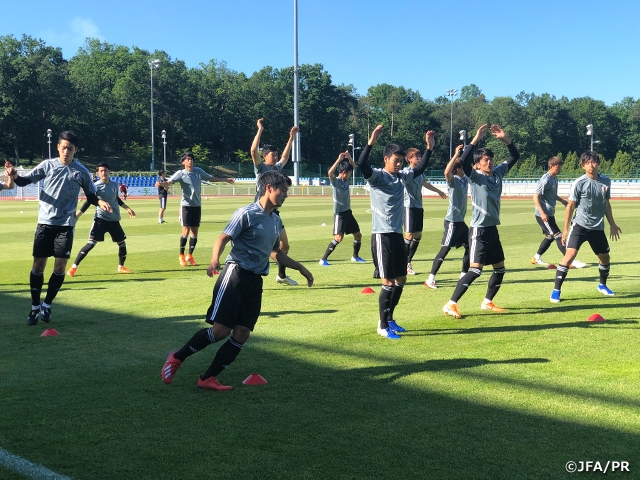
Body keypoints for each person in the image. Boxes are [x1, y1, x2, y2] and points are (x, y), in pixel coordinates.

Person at [161, 170, 314, 390]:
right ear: (269, 188)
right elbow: (224, 237)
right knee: (220, 331)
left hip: (255, 281)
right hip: (235, 275)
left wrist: (300, 267)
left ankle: (207, 378)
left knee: (242, 333)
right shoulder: (246, 213)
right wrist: (215, 259)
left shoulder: (276, 221)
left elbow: (275, 252)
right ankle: (176, 357)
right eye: (283, 190)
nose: (286, 195)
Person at [5, 131, 111, 325]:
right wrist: (14, 174)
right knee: (38, 266)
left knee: (60, 266)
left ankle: (47, 304)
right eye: (63, 147)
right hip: (45, 224)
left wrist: (100, 201)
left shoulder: (81, 172)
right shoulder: (48, 165)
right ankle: (35, 306)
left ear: (75, 150)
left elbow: (91, 196)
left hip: (65, 225)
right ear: (58, 147)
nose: (66, 151)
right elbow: (23, 181)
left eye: (70, 148)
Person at [358, 124, 435, 339]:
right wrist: (371, 141)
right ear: (386, 159)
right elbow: (362, 163)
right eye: (396, 160)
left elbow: (418, 169)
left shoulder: (401, 177)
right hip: (381, 236)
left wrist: (429, 148)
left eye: (401, 160)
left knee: (401, 279)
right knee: (388, 283)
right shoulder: (377, 177)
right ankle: (382, 326)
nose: (399, 163)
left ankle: (390, 319)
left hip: (396, 236)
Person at [442, 124, 520, 319]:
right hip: (478, 230)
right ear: (477, 165)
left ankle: (487, 302)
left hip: (492, 229)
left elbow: (514, 156)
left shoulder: (498, 174)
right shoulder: (475, 177)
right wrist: (475, 139)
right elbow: (464, 159)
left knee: (500, 268)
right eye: (485, 160)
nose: (490, 162)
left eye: (491, 159)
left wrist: (505, 139)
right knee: (475, 270)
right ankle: (451, 304)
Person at [549, 151, 621, 303]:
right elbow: (570, 206)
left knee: (605, 257)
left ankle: (602, 285)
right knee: (569, 256)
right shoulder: (579, 182)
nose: (591, 165)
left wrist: (612, 224)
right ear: (582, 165)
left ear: (598, 163)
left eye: (593, 162)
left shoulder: (606, 182)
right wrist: (566, 229)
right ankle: (556, 291)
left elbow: (606, 204)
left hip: (597, 228)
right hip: (580, 226)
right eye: (587, 163)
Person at [156, 152, 234, 267]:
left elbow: (210, 178)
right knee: (185, 231)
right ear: (183, 162)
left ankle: (190, 255)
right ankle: (181, 255)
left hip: (197, 205)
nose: (190, 161)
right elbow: (169, 182)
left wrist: (225, 179)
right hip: (186, 206)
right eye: (187, 159)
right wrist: (161, 183)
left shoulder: (198, 171)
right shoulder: (181, 173)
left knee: (195, 232)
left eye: (191, 159)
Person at [251, 118, 300, 285]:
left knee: (284, 245)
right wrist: (260, 130)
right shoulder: (261, 168)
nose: (277, 156)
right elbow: (252, 151)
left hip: (274, 213)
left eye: (276, 154)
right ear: (265, 156)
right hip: (259, 212)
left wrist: (291, 138)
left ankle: (281, 275)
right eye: (273, 155)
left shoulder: (276, 169)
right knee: (264, 247)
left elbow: (286, 157)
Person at [67, 162, 136, 277]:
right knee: (90, 244)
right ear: (98, 173)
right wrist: (78, 214)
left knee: (122, 244)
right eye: (101, 171)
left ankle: (121, 267)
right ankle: (73, 267)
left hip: (114, 220)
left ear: (109, 172)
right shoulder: (96, 186)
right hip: (101, 220)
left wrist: (127, 208)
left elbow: (116, 199)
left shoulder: (114, 185)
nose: (103, 172)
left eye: (105, 170)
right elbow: (90, 201)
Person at [425, 144, 470, 289]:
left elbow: (466, 163)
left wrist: (466, 150)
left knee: (470, 246)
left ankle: (464, 275)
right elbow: (446, 172)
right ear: (457, 170)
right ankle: (430, 278)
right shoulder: (454, 181)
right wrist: (456, 154)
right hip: (452, 222)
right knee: (445, 250)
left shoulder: (464, 180)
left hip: (460, 222)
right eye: (462, 167)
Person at [531, 156, 586, 268]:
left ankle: (536, 258)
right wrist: (542, 213)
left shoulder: (554, 178)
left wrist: (562, 201)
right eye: (558, 167)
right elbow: (535, 197)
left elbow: (551, 194)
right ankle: (569, 260)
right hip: (543, 215)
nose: (560, 169)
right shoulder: (545, 180)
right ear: (551, 166)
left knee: (550, 236)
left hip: (549, 213)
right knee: (558, 235)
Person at [402, 147, 447, 275]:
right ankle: (404, 263)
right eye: (417, 156)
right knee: (409, 235)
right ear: (409, 159)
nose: (419, 158)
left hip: (418, 206)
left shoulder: (420, 173)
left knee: (418, 235)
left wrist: (438, 191)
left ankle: (408, 261)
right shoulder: (406, 171)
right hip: (408, 206)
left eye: (420, 156)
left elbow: (425, 184)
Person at [319, 151, 366, 265]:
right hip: (340, 214)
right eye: (349, 173)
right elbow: (330, 172)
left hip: (348, 213)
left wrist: (349, 157)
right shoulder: (336, 182)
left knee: (358, 235)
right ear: (344, 172)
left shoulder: (346, 180)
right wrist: (339, 160)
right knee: (339, 238)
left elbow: (354, 166)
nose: (350, 175)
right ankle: (323, 259)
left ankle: (355, 257)